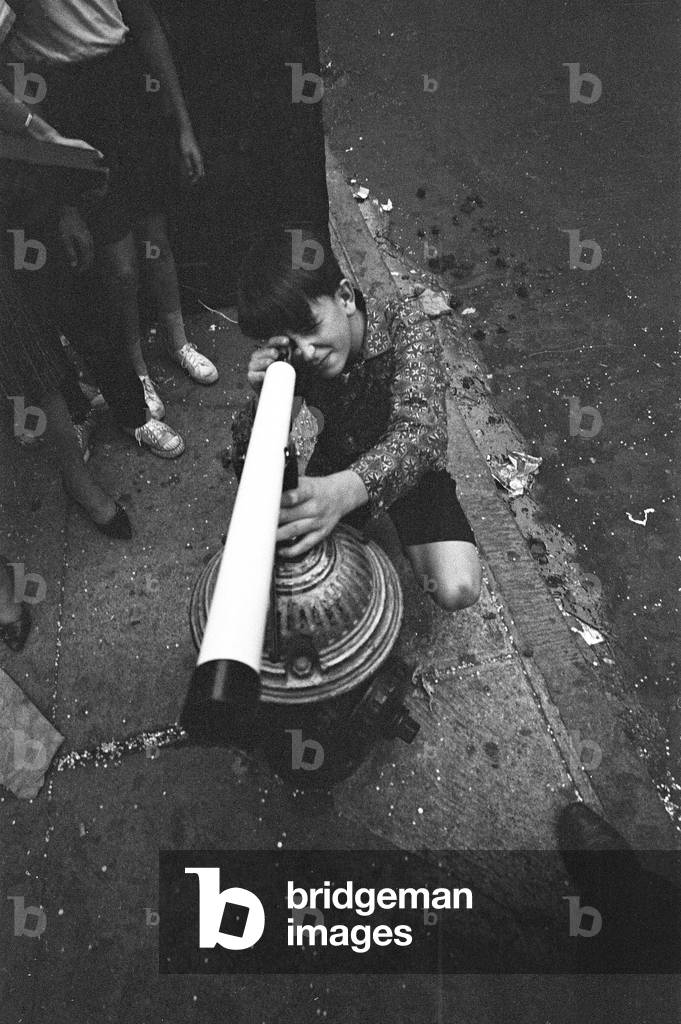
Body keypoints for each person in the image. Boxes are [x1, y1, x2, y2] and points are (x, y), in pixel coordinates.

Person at [235, 224, 482, 613]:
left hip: (410, 472)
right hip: (334, 466)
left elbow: (422, 433)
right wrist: (264, 403)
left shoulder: (405, 323)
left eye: (310, 327)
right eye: (291, 343)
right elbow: (253, 462)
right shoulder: (294, 359)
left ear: (345, 297)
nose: (307, 352)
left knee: (457, 587)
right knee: (283, 591)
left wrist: (342, 492)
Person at [1, 0, 218, 427]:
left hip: (123, 86)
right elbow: (12, 67)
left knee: (156, 239)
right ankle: (138, 371)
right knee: (119, 264)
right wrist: (54, 164)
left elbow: (147, 27)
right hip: (64, 95)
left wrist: (184, 127)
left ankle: (178, 342)